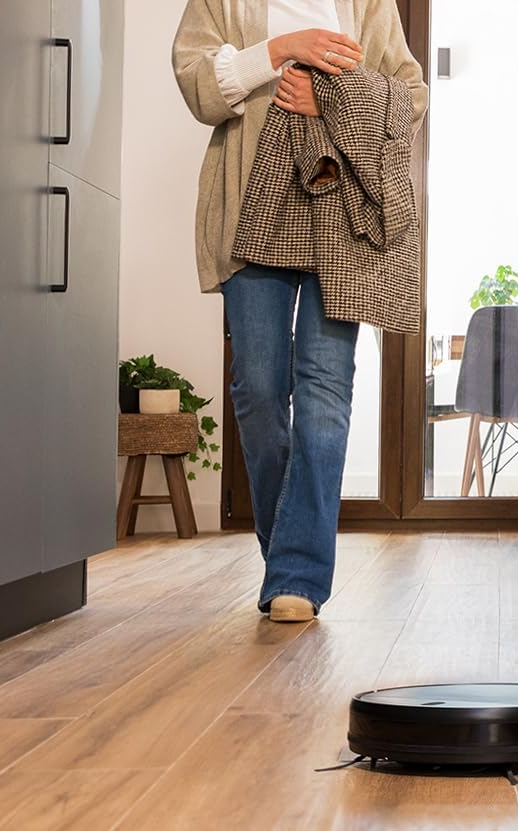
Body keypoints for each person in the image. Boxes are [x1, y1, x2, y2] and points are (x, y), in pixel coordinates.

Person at [172, 1, 428, 623]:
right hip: (250, 213)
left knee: (324, 387)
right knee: (258, 387)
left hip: (343, 219)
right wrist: (284, 49)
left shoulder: (367, 3)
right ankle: (288, 551)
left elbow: (411, 97)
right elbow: (198, 84)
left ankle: (298, 575)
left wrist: (332, 103)